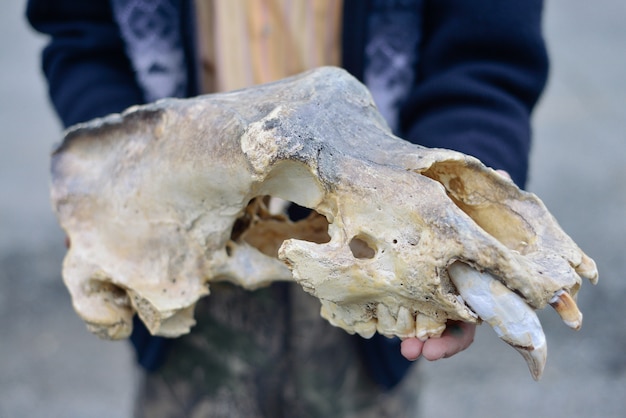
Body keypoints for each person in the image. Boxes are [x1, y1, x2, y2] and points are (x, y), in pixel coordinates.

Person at [27, 1, 549, 416]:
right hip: (188, 244)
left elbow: (484, 54)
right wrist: (121, 173)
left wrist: (448, 205)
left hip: (373, 246)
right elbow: (81, 31)